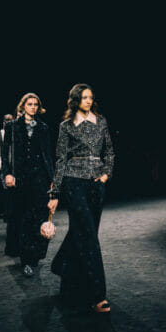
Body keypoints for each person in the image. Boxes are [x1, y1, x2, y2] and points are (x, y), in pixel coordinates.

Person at [48, 83, 115, 313]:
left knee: (83, 233)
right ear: (76, 100)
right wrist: (55, 192)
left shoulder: (101, 121)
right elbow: (60, 160)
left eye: (90, 97)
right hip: (74, 182)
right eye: (84, 97)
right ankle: (97, 295)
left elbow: (109, 151)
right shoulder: (66, 126)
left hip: (97, 184)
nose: (88, 101)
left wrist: (106, 175)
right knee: (88, 237)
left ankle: (64, 269)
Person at [1, 94, 54, 277]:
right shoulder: (12, 126)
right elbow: (4, 153)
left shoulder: (43, 127)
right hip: (20, 180)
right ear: (23, 106)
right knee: (23, 219)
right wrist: (7, 173)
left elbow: (47, 155)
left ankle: (35, 255)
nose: (32, 107)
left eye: (35, 104)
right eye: (29, 104)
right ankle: (27, 260)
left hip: (40, 179)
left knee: (39, 217)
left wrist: (52, 179)